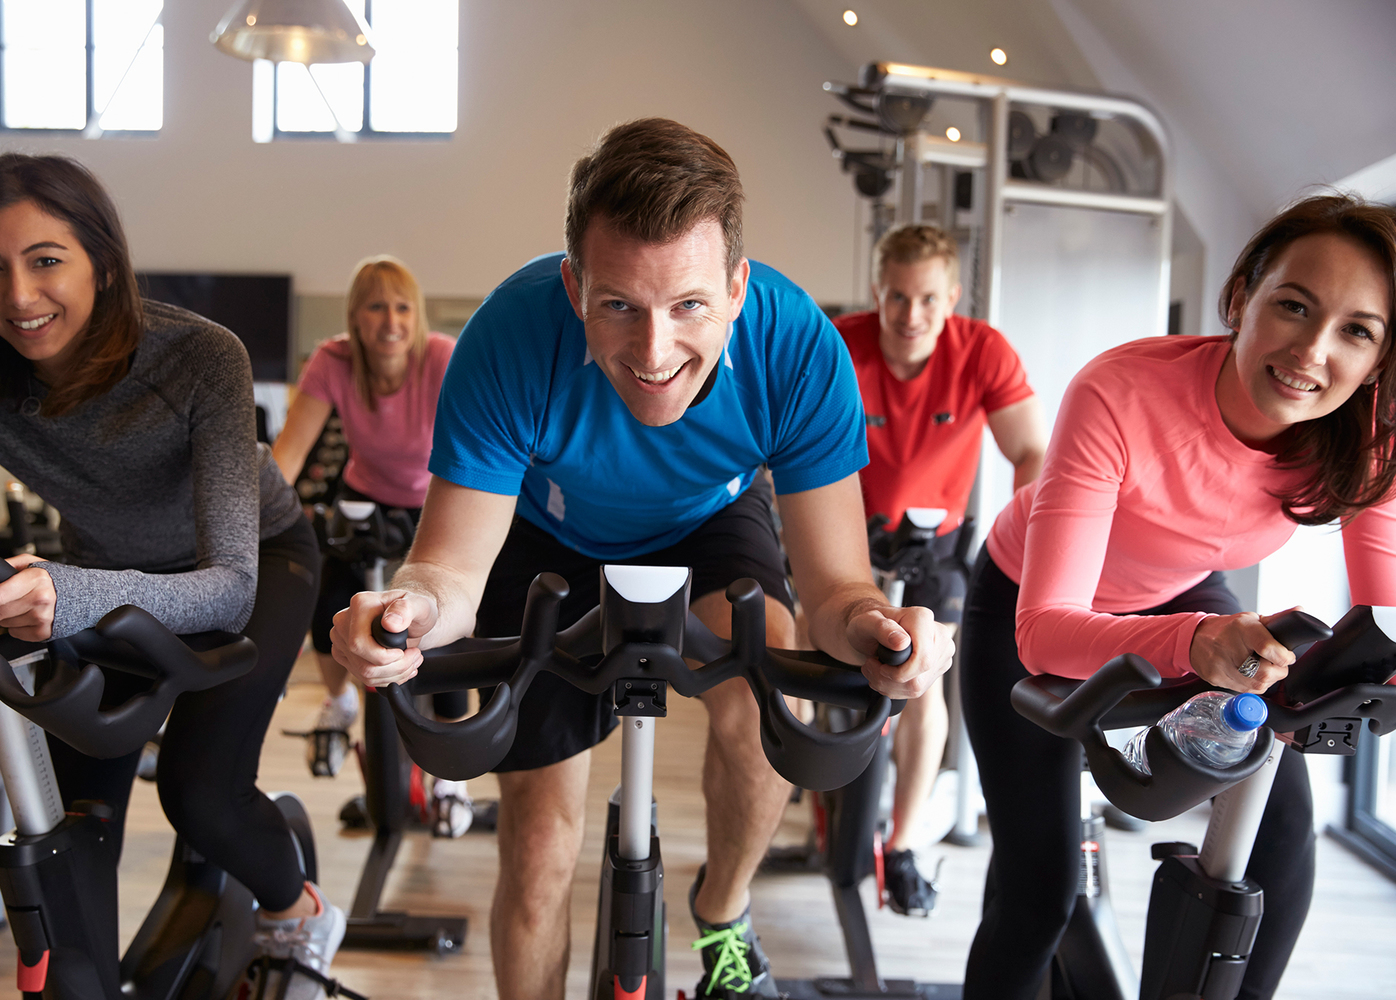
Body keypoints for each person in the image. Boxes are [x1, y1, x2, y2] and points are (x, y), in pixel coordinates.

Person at [330, 118, 953, 1000]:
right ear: (573, 285)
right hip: (549, 534)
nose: (655, 353)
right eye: (618, 304)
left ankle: (725, 908)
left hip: (710, 520)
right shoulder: (509, 339)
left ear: (738, 288)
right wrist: (402, 616)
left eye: (690, 305)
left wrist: (880, 630)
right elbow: (451, 574)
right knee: (541, 844)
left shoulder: (796, 347)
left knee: (766, 692)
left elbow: (836, 592)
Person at [0, 154, 344, 995]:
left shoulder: (200, 356)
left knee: (201, 791)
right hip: (101, 577)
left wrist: (66, 595)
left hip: (259, 563)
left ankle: (300, 911)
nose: (20, 297)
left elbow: (228, 586)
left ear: (101, 259)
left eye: (46, 260)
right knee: (76, 823)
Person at [959, 194, 1396, 1000]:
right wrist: (1197, 642)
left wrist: (1359, 678)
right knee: (1040, 884)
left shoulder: (1370, 430)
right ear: (1242, 298)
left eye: (1357, 331)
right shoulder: (1122, 392)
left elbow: (1384, 618)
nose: (1312, 351)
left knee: (1280, 830)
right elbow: (1046, 633)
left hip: (1185, 597)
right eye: (1292, 307)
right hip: (1028, 602)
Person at [834, 223, 1045, 915]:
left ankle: (902, 846)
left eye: (927, 299)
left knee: (924, 687)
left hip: (941, 543)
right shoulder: (844, 342)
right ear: (877, 290)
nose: (910, 316)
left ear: (951, 296)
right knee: (823, 675)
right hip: (848, 537)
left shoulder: (981, 350)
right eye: (897, 297)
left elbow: (1032, 454)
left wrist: (1035, 547)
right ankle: (828, 814)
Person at [271, 256, 471, 826]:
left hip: (432, 497)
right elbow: (288, 454)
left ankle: (449, 779)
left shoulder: (439, 357)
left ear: (418, 314)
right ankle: (337, 706)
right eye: (376, 307)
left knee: (441, 629)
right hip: (362, 499)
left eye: (403, 306)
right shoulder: (332, 362)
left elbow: (469, 444)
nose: (391, 320)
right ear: (354, 318)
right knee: (327, 594)